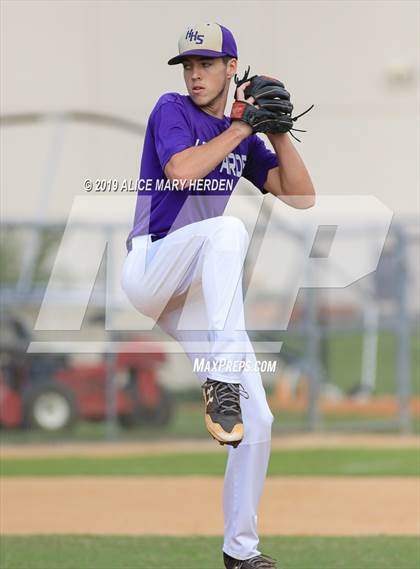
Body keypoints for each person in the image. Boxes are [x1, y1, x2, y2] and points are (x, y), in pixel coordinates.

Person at [121, 21, 315, 569]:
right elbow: (181, 172)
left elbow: (300, 197)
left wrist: (274, 132)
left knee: (260, 423)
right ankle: (220, 382)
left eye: (206, 63)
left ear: (233, 68)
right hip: (153, 266)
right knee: (228, 231)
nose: (195, 73)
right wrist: (239, 128)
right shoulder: (171, 110)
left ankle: (240, 552)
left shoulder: (245, 138)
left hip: (194, 292)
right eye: (188, 64)